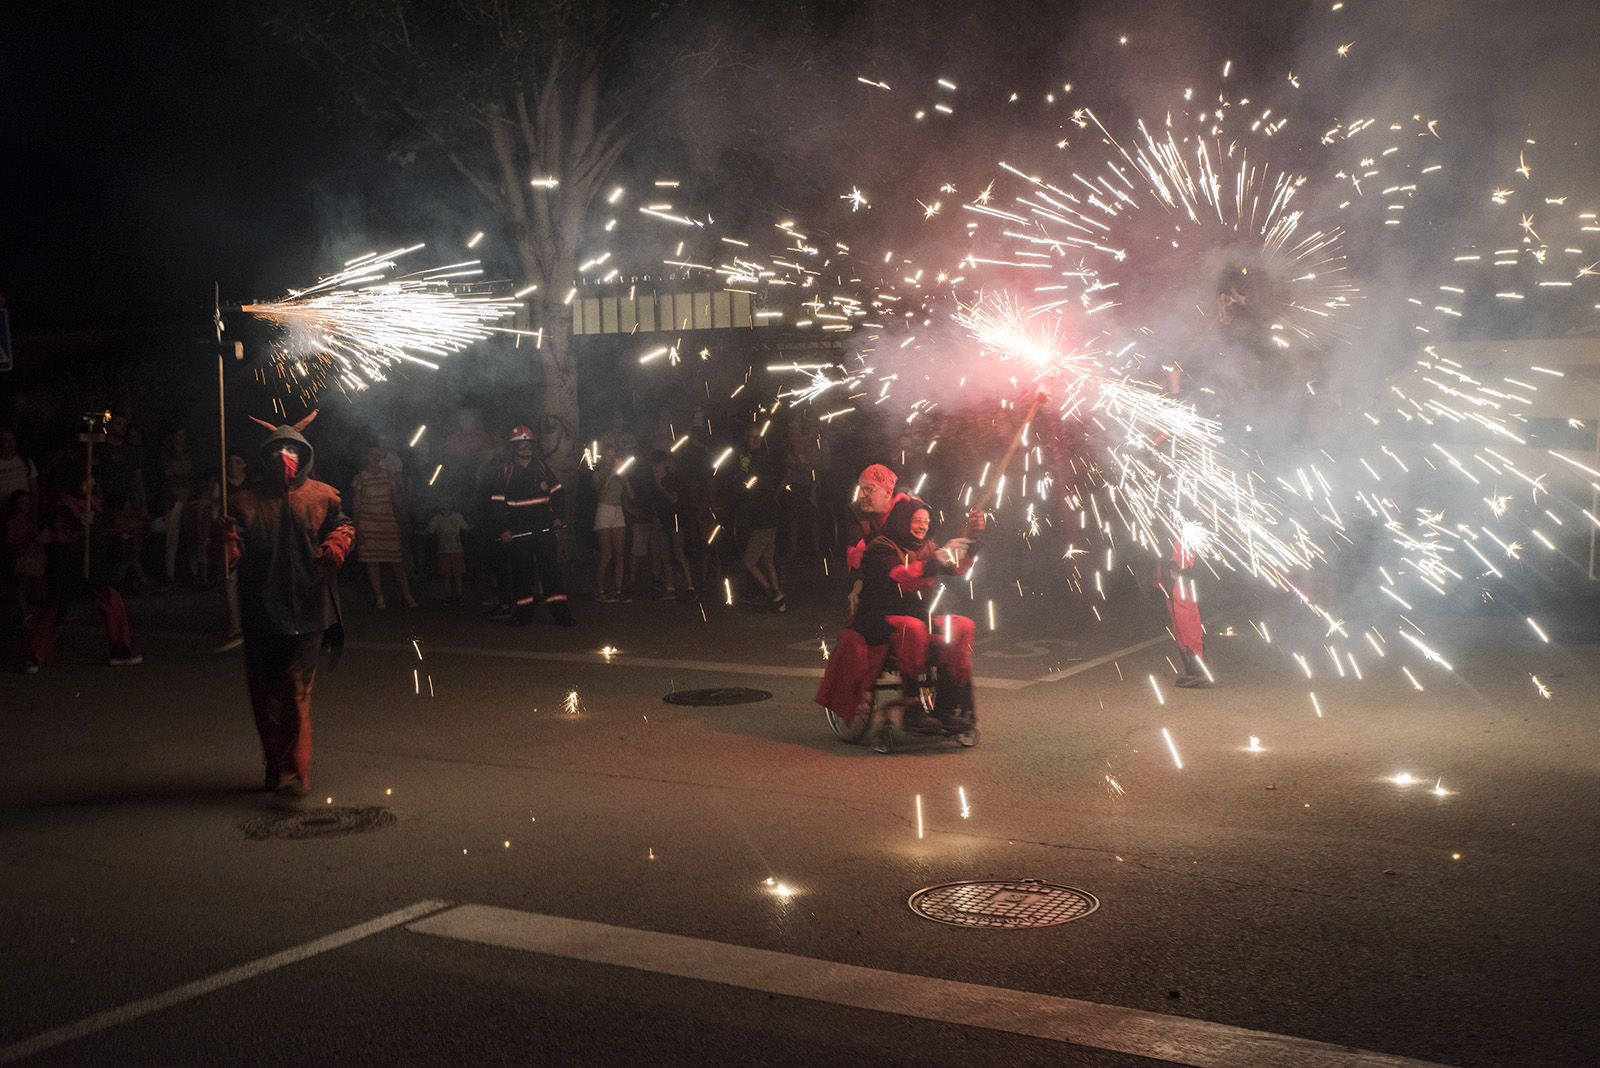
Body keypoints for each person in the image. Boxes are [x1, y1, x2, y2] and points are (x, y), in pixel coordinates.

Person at [220, 413, 355, 797]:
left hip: (311, 607)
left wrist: (336, 545)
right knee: (266, 694)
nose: (285, 454)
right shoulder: (244, 501)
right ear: (266, 456)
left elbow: (343, 526)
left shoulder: (324, 496)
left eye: (292, 448)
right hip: (263, 610)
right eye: (278, 448)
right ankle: (275, 762)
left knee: (297, 691)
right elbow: (233, 545)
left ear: (305, 454)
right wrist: (226, 541)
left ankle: (294, 769)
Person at [816, 496, 978, 734]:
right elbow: (900, 577)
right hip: (878, 620)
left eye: (926, 521)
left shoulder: (928, 547)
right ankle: (912, 708)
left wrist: (970, 541)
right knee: (912, 627)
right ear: (903, 521)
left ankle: (946, 707)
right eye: (917, 520)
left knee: (963, 625)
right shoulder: (881, 547)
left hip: (920, 618)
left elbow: (955, 568)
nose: (923, 525)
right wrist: (934, 561)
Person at [21, 467, 143, 673]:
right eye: (87, 478)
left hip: (94, 565)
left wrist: (142, 526)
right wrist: (80, 523)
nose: (92, 481)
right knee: (54, 609)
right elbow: (61, 531)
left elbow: (109, 524)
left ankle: (120, 650)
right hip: (68, 564)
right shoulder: (63, 504)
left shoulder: (93, 502)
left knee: (112, 602)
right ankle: (34, 656)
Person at [489, 424, 573, 626]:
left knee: (551, 573)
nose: (525, 447)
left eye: (528, 444)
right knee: (522, 576)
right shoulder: (506, 472)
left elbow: (558, 493)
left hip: (543, 532)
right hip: (519, 535)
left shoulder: (542, 468)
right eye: (521, 444)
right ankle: (523, 616)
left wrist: (558, 517)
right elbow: (497, 503)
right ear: (514, 447)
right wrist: (504, 529)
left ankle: (562, 616)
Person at [351, 442, 416, 609]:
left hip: (387, 522)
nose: (374, 458)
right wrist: (357, 528)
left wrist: (403, 519)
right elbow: (356, 505)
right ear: (366, 457)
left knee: (397, 561)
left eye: (377, 455)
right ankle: (380, 598)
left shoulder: (389, 476)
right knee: (373, 562)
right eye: (371, 455)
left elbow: (397, 500)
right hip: (368, 524)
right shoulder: (360, 479)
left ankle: (407, 595)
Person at [736, 424, 785, 612]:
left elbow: (747, 484)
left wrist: (742, 472)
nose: (754, 440)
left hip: (763, 519)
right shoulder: (765, 457)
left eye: (757, 437)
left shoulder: (755, 459)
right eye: (751, 437)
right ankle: (778, 597)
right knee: (768, 561)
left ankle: (773, 595)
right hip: (769, 515)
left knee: (748, 561)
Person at [1163, 530, 1212, 688]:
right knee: (1180, 627)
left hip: (1183, 583)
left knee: (1188, 625)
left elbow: (1185, 565)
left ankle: (1199, 671)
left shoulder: (1186, 535)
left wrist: (1178, 571)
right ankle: (1192, 670)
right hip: (1176, 584)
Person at [593, 454, 633, 601]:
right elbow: (601, 495)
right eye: (608, 456)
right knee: (607, 554)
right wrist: (610, 476)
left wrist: (625, 479)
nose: (611, 460)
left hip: (618, 511)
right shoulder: (598, 474)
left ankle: (618, 591)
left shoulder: (622, 474)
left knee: (619, 554)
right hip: (604, 510)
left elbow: (631, 495)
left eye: (614, 457)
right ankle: (600, 590)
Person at [5, 489, 45, 626]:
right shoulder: (13, 522)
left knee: (36, 584)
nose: (26, 505)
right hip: (24, 557)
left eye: (28, 502)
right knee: (23, 584)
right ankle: (26, 612)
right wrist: (29, 543)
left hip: (34, 556)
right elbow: (11, 541)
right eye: (23, 502)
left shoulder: (30, 520)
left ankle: (36, 610)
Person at [424, 501, 470, 604]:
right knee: (446, 575)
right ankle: (448, 596)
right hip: (443, 551)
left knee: (458, 575)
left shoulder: (457, 516)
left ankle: (459, 595)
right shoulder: (436, 518)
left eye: (448, 502)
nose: (446, 505)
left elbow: (465, 527)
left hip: (457, 549)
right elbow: (430, 530)